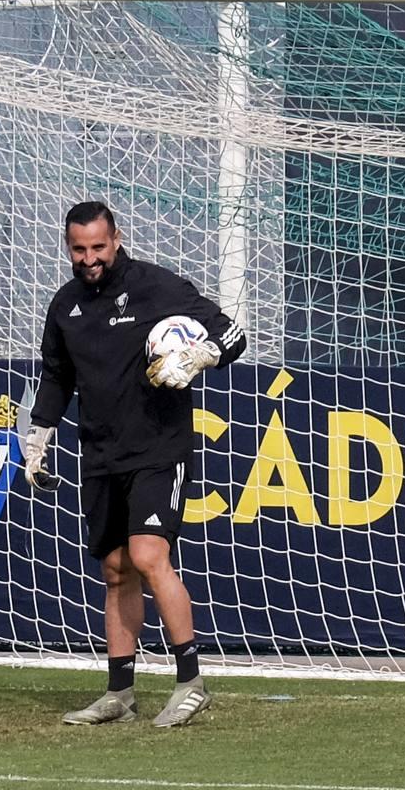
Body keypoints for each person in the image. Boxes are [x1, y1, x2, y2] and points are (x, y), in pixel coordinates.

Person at [23, 200, 245, 728]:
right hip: (100, 452)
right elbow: (57, 377)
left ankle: (191, 682)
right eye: (79, 249)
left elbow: (232, 335)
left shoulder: (155, 286)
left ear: (116, 239)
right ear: (68, 247)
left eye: (98, 247)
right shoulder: (65, 306)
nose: (89, 258)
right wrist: (38, 439)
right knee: (116, 569)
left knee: (148, 556)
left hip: (158, 449)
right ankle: (119, 691)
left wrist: (203, 355)